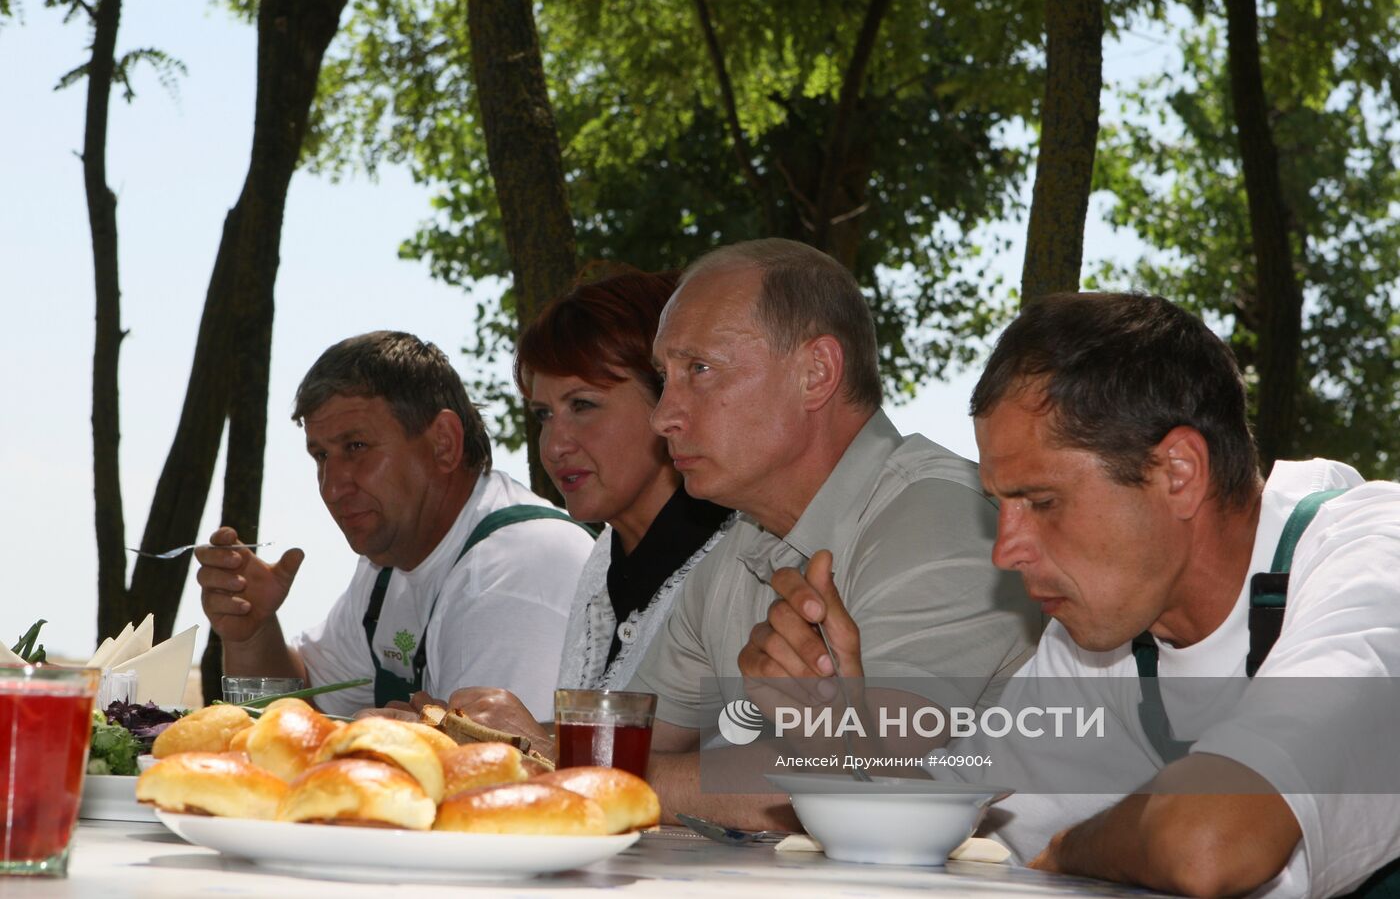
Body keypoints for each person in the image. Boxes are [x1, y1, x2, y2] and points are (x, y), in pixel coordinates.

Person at [745, 291, 1400, 898]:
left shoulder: (1373, 560)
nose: (1006, 551)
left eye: (1043, 501)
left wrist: (1075, 844)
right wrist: (840, 726)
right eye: (1000, 506)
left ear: (1179, 473)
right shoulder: (1102, 641)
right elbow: (955, 825)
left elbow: (1210, 840)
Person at [630, 238, 1041, 828]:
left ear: (816, 373)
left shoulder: (950, 522)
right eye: (664, 377)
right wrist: (492, 743)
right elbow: (641, 739)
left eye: (699, 369)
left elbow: (848, 783)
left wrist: (581, 773)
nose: (662, 414)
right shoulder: (740, 545)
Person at [196, 331, 595, 718]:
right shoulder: (387, 569)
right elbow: (299, 712)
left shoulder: (517, 572)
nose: (332, 487)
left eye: (356, 448)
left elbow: (499, 771)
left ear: (443, 443)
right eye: (321, 455)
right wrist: (252, 632)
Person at [439, 266, 734, 748]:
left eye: (583, 405)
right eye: (543, 415)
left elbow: (781, 779)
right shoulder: (605, 557)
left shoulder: (747, 559)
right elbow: (614, 745)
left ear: (669, 402)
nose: (554, 445)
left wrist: (538, 745)